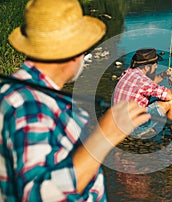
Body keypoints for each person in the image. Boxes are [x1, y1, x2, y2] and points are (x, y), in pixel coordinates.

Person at [0, 0, 150, 201]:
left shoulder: (18, 91)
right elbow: (39, 196)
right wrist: (106, 135)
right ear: (73, 53)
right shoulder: (30, 105)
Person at [113, 48, 172, 143]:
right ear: (147, 67)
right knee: (170, 103)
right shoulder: (142, 81)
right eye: (155, 63)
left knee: (157, 98)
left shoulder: (129, 72)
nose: (156, 66)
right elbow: (168, 96)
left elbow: (148, 85)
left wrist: (163, 75)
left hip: (119, 123)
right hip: (132, 129)